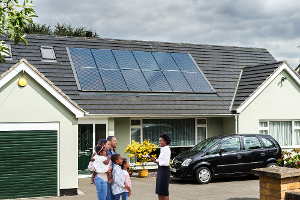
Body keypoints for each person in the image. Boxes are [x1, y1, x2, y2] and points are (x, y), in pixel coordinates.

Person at [145, 132, 171, 200]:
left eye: (161, 141)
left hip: (164, 171)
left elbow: (166, 163)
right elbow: (159, 161)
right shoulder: (162, 149)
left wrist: (158, 161)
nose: (159, 142)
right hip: (160, 170)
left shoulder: (167, 149)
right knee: (159, 190)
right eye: (159, 141)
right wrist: (151, 158)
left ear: (165, 141)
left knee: (164, 191)